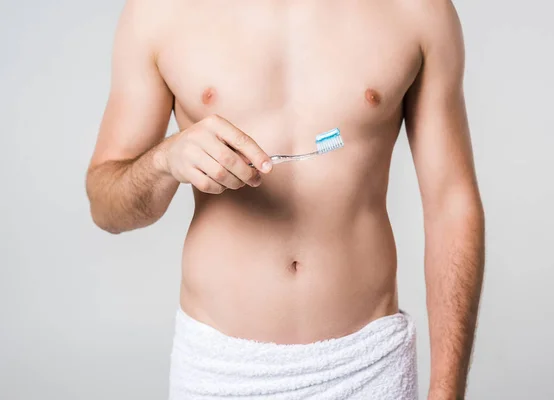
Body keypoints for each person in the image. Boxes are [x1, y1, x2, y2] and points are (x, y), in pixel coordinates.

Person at [86, 1, 485, 399]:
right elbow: (107, 207)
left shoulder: (417, 10)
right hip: (221, 369)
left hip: (368, 366)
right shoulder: (160, 12)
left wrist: (446, 392)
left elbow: (452, 205)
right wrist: (165, 160)